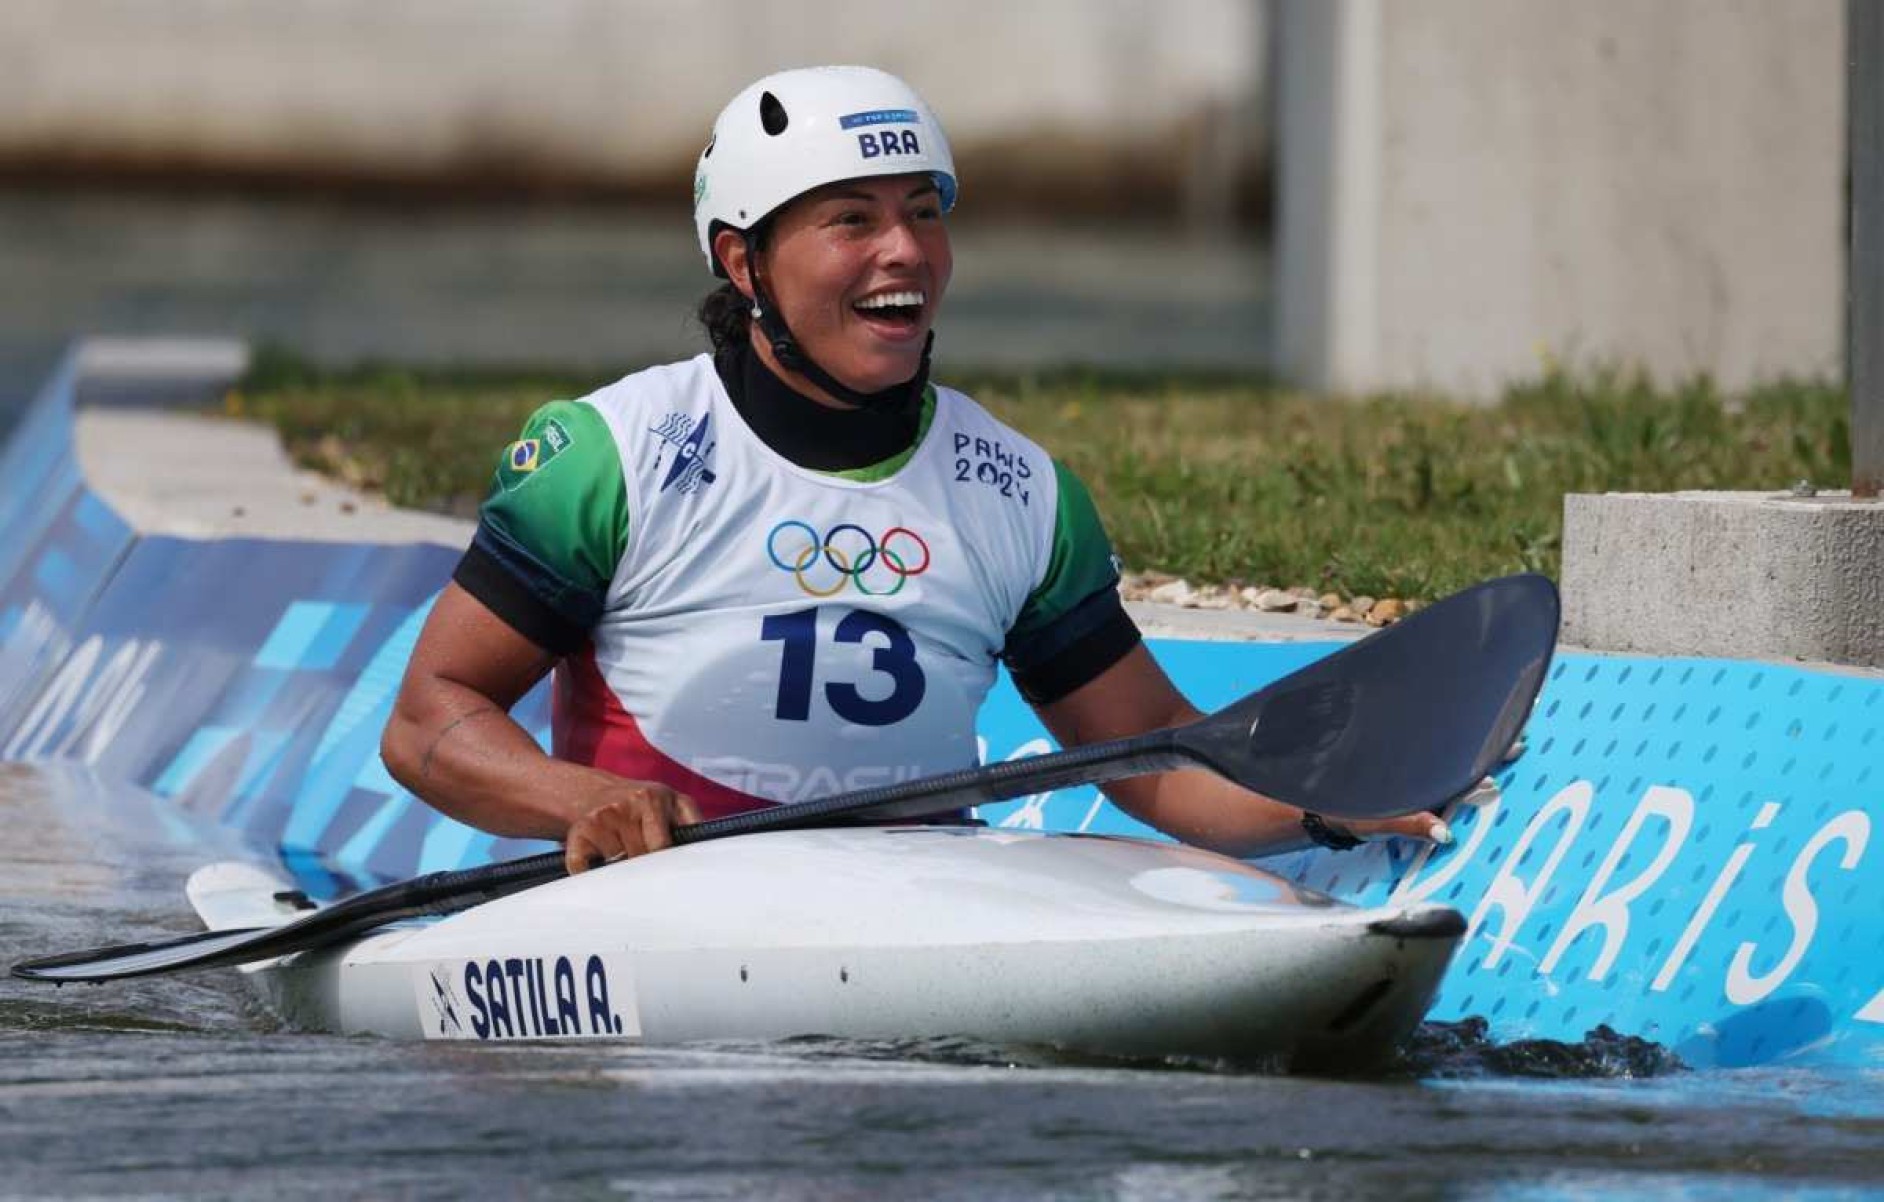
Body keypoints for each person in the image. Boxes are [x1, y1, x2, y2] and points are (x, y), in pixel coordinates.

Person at [380, 65, 1448, 875]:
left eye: (923, 213)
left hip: (916, 909)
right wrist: (583, 800)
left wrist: (1325, 805)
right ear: (742, 259)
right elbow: (431, 716)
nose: (906, 252)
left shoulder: (1021, 493)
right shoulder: (613, 456)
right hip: (661, 911)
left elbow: (1151, 759)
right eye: (853, 218)